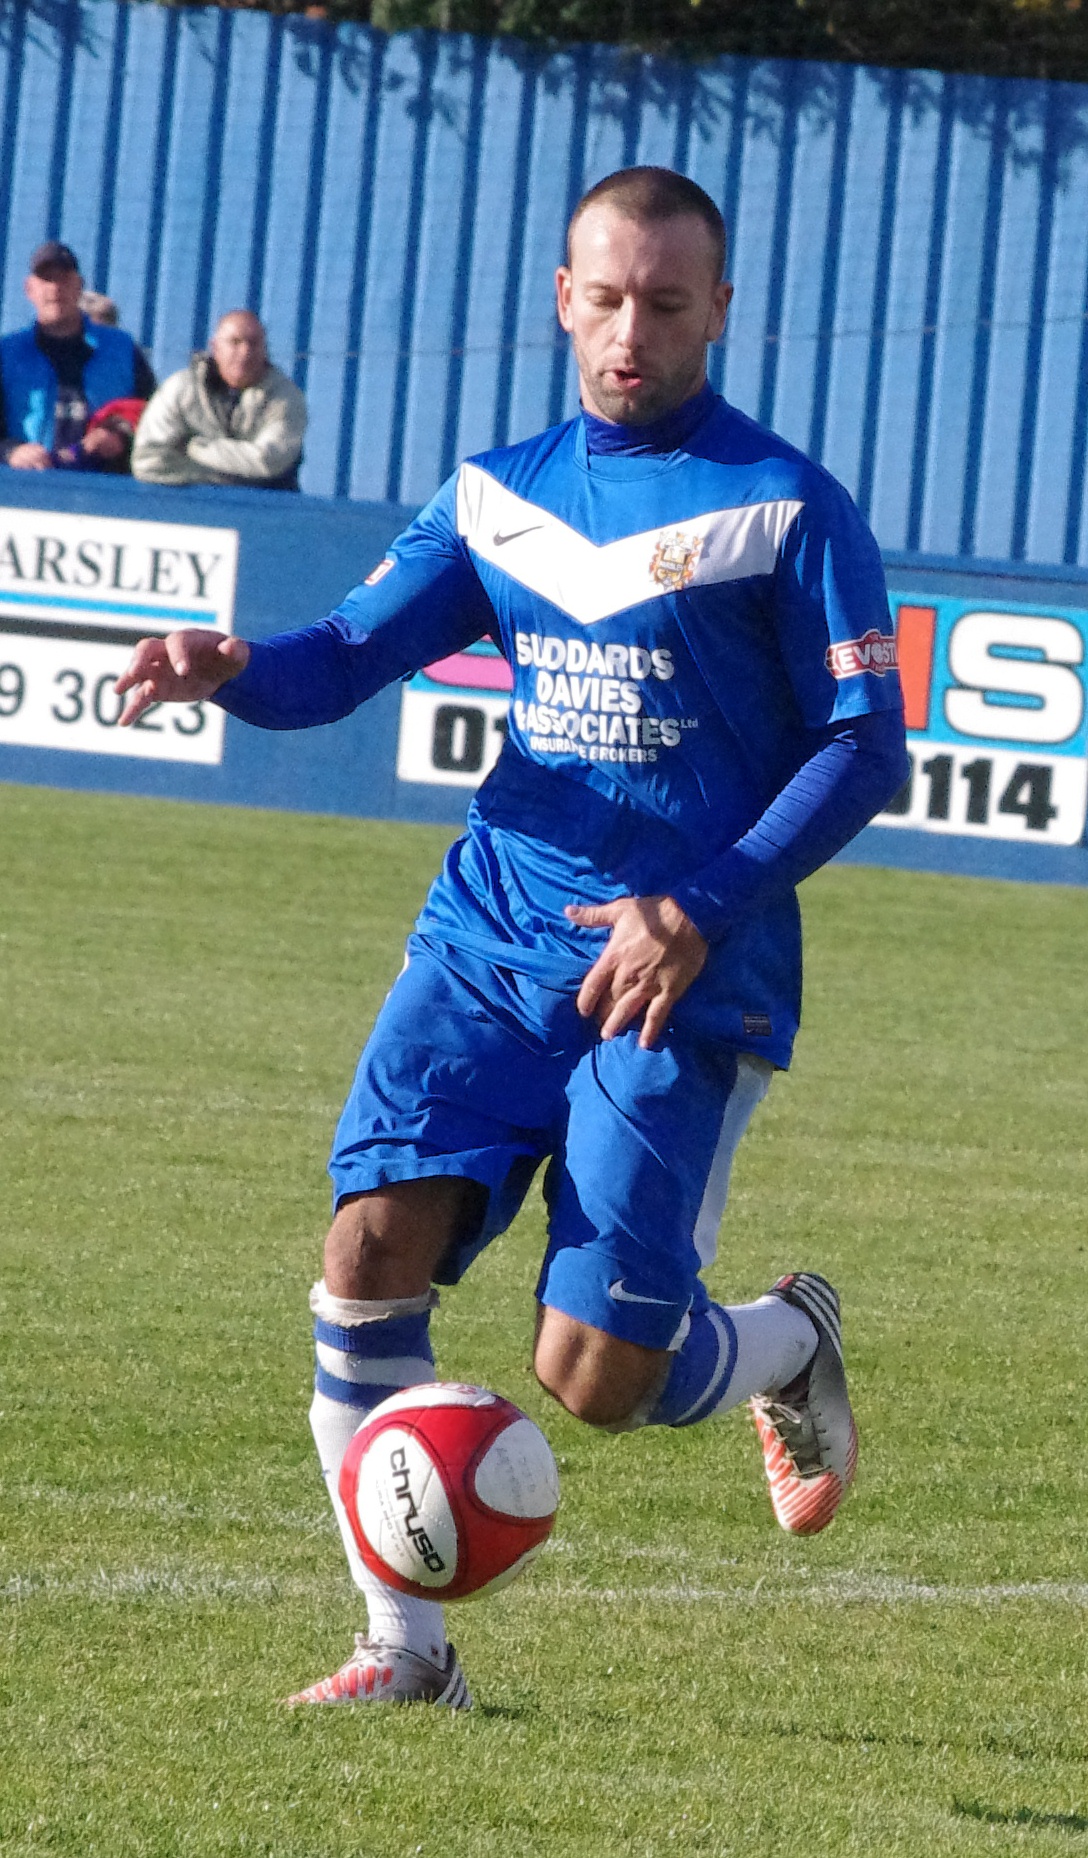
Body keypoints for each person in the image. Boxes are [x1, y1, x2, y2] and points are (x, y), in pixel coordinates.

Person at [116, 167, 908, 1712]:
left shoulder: (789, 506)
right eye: (605, 299)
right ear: (562, 298)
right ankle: (405, 1651)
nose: (631, 332)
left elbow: (865, 745)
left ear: (719, 310)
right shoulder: (499, 496)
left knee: (595, 1376)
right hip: (490, 936)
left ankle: (784, 1341)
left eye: (666, 304)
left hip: (676, 976)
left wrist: (700, 901)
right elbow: (346, 655)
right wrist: (235, 666)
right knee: (366, 1254)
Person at [0, 242, 156, 472]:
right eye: (47, 279)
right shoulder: (6, 353)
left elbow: (159, 422)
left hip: (107, 488)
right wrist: (10, 452)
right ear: (29, 289)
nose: (55, 288)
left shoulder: (122, 349)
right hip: (26, 487)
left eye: (64, 279)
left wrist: (122, 438)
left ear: (80, 286)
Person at [131, 310, 307, 490]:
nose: (245, 351)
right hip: (180, 503)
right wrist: (211, 478)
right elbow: (147, 461)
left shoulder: (286, 397)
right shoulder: (180, 390)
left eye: (254, 343)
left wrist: (193, 447)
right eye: (235, 342)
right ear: (215, 347)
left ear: (265, 349)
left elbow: (268, 460)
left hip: (267, 504)